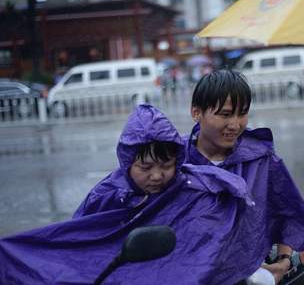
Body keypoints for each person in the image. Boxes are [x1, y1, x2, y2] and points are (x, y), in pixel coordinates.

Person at [0, 105, 288, 284]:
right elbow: (80, 242)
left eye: (166, 165)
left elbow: (212, 249)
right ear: (128, 163)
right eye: (145, 167)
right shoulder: (107, 195)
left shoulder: (197, 191)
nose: (156, 176)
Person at [185, 69, 304, 284]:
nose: (235, 125)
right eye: (225, 114)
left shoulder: (261, 160)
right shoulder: (176, 160)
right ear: (196, 112)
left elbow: (288, 212)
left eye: (242, 113)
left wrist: (284, 261)